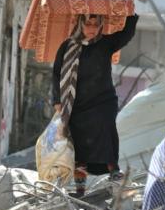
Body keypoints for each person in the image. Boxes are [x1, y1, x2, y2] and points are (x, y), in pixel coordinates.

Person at [52, 13, 139, 197]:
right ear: (80, 24)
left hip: (103, 102)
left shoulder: (106, 44)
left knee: (107, 135)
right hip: (77, 107)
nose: (91, 28)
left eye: (95, 24)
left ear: (101, 26)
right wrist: (57, 101)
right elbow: (56, 74)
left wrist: (130, 9)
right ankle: (80, 190)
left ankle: (115, 173)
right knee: (80, 150)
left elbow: (127, 33)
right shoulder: (67, 46)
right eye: (88, 24)